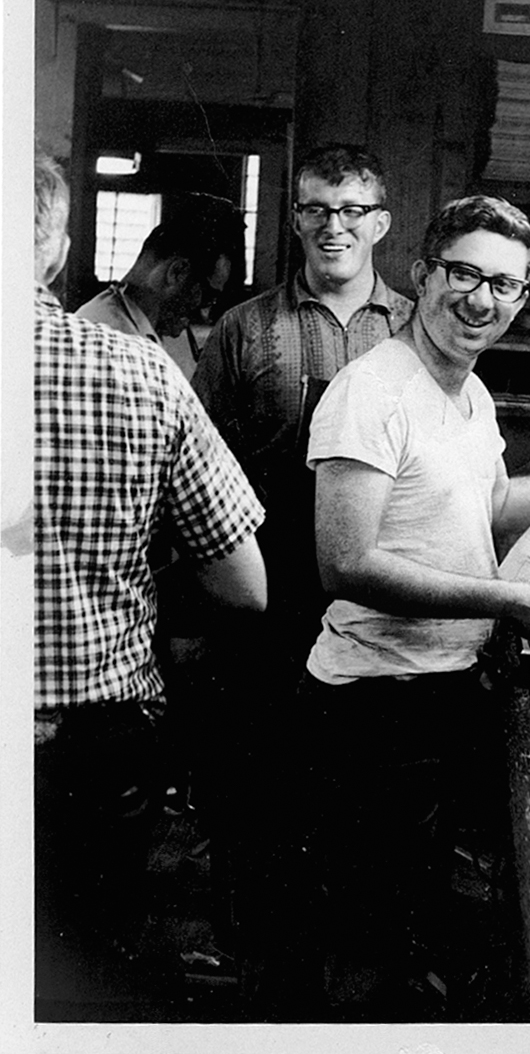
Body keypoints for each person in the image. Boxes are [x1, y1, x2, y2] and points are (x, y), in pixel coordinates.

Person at [300, 195, 530, 1013]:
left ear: (521, 298)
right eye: (464, 273)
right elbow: (346, 561)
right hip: (370, 705)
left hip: (440, 689)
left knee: (408, 919)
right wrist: (506, 598)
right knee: (362, 937)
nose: (480, 299)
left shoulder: (471, 394)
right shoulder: (371, 390)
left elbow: (488, 506)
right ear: (423, 275)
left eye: (504, 284)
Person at [33, 150, 267, 1009]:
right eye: (198, 293)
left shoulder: (157, 343)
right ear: (56, 252)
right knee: (87, 954)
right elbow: (245, 586)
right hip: (94, 729)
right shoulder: (135, 369)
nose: (202, 312)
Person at [189, 144, 413, 1010]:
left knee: (355, 792)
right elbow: (195, 465)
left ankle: (347, 973)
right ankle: (260, 970)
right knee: (261, 788)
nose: (335, 226)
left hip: (375, 592)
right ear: (296, 219)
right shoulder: (248, 328)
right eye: (318, 208)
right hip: (269, 593)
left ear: (381, 224)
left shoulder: (412, 326)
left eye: (354, 210)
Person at [76, 192, 246, 379]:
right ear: (177, 272)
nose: (206, 313)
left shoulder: (124, 318)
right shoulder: (116, 342)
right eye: (208, 296)